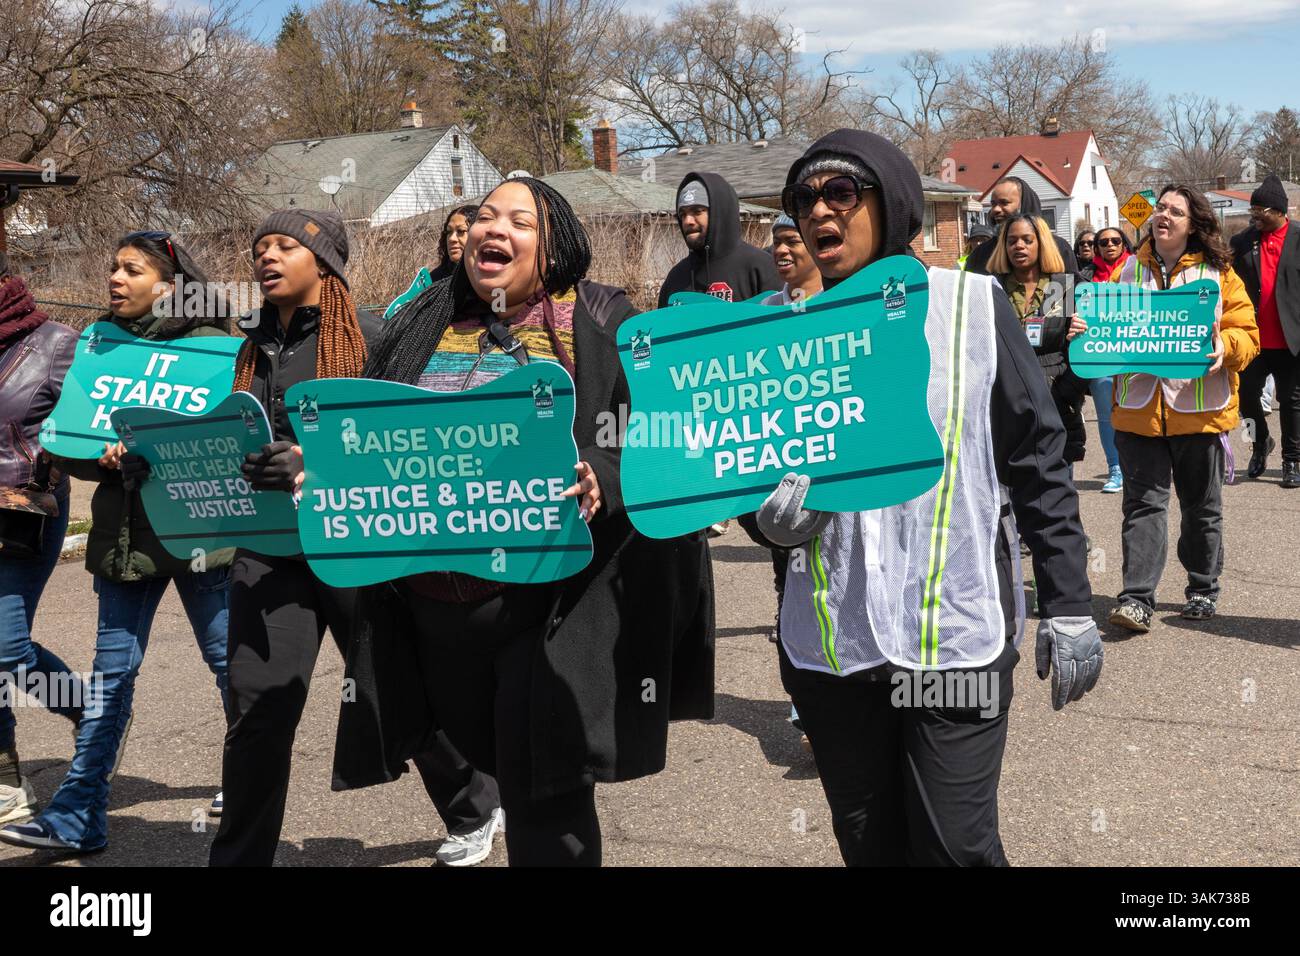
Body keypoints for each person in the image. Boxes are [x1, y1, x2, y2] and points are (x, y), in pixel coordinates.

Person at [742, 129, 1100, 866]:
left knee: (953, 849)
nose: (818, 212)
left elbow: (1038, 458)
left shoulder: (970, 304)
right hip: (834, 650)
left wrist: (1068, 601)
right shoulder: (779, 333)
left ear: (892, 201)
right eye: (804, 199)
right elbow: (747, 476)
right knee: (871, 847)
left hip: (954, 636)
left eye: (841, 193)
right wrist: (765, 519)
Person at [335, 177, 715, 866]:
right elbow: (368, 443)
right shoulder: (414, 328)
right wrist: (321, 470)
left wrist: (603, 471)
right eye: (484, 216)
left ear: (555, 246)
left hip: (545, 612)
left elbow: (659, 435)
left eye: (519, 219)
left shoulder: (599, 329)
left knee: (548, 796)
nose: (493, 229)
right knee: (496, 765)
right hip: (434, 617)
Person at [208, 209, 503, 867]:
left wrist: (316, 465)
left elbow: (405, 444)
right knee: (258, 717)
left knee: (388, 688)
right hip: (270, 556)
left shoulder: (370, 337)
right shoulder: (251, 347)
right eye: (260, 246)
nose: (268, 255)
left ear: (326, 264)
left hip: (355, 547)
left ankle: (476, 805)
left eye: (286, 245)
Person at [0, 233, 232, 853]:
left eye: (132, 268)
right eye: (112, 266)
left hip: (199, 534)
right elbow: (69, 446)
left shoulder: (216, 350)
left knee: (228, 664)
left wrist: (163, 451)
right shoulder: (100, 348)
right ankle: (79, 818)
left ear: (171, 283)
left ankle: (248, 776)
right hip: (122, 539)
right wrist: (100, 460)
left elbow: (231, 449)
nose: (115, 277)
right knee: (109, 678)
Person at [1106, 185, 1259, 633]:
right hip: (1138, 412)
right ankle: (1136, 599)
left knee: (1201, 508)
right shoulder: (1127, 272)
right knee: (1143, 507)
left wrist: (1224, 346)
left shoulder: (1218, 273)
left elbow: (1247, 334)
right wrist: (1085, 329)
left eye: (1175, 211)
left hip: (1200, 411)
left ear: (1194, 223)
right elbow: (1104, 328)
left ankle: (1202, 587)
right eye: (1160, 209)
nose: (1163, 216)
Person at [0, 254, 81, 825]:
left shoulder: (56, 344)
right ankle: (6, 775)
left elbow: (90, 427)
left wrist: (49, 458)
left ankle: (92, 710)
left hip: (23, 513)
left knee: (4, 648)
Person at [757, 215, 823, 751]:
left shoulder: (849, 306)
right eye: (776, 241)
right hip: (783, 483)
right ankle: (807, 709)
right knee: (792, 586)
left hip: (841, 476)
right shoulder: (763, 315)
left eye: (791, 240)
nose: (781, 249)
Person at [988, 214, 1090, 469]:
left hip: (1056, 402)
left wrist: (1065, 390)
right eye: (1012, 241)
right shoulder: (991, 288)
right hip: (1006, 404)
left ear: (1041, 243)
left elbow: (1084, 349)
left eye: (1026, 240)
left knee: (1057, 493)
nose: (1018, 246)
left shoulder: (1065, 287)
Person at [1232, 175, 1299, 486]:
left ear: (1280, 210)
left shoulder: (1298, 237)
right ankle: (1257, 446)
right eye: (1252, 210)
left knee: (1291, 402)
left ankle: (1292, 461)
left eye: (1261, 210)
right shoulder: (1243, 241)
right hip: (1252, 340)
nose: (1255, 216)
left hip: (1290, 339)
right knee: (1245, 400)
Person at [657, 172, 780, 306]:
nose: (688, 221)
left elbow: (781, 323)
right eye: (683, 214)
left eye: (697, 211)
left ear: (719, 213)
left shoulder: (761, 268)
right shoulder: (676, 278)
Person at [1089, 226, 1134, 492]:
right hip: (1100, 356)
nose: (1109, 245)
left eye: (1115, 240)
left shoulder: (1138, 271)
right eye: (1103, 242)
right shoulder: (1084, 276)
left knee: (1135, 411)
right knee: (1107, 416)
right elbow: (1073, 313)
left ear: (1123, 243)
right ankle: (1115, 469)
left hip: (1132, 354)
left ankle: (1138, 466)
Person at [964, 176, 1080, 277]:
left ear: (1024, 204)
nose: (996, 210)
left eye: (1004, 203)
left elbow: (1070, 298)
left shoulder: (1058, 248)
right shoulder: (980, 254)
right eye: (993, 204)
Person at [431, 204, 479, 281]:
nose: (451, 239)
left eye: (461, 231)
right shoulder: (434, 279)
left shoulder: (492, 277)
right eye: (449, 232)